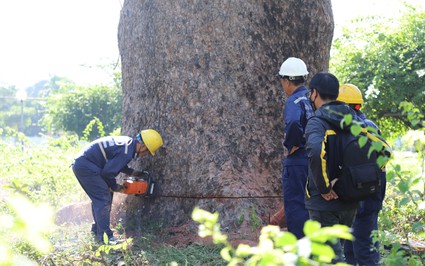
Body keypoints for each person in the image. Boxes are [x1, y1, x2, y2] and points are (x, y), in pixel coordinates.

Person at [304, 72, 364, 262]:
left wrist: (325, 187)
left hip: (324, 203)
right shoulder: (355, 120)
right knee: (338, 253)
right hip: (350, 199)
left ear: (314, 93)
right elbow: (381, 151)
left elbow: (315, 150)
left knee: (327, 258)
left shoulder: (317, 122)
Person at [72, 129, 163, 244]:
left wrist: (132, 172)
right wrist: (115, 187)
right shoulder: (127, 152)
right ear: (143, 146)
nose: (146, 155)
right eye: (148, 152)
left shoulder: (128, 144)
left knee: (102, 198)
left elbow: (115, 162)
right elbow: (108, 173)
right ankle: (106, 238)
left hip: (84, 164)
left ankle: (97, 230)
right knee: (103, 198)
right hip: (87, 167)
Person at [338, 84, 387, 266]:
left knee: (363, 247)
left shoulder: (352, 129)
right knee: (354, 245)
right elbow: (385, 156)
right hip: (369, 194)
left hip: (361, 197)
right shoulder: (370, 126)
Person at [276, 57, 314, 238]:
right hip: (314, 158)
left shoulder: (294, 100)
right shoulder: (312, 98)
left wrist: (292, 145)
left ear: (287, 80)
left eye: (282, 81)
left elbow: (292, 123)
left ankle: (299, 250)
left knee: (296, 205)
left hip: (297, 159)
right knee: (310, 205)